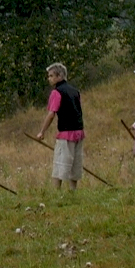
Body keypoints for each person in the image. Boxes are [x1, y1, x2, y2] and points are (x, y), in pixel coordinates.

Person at [31, 62, 85, 190]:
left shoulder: (56, 92)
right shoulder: (75, 91)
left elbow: (51, 115)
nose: (49, 79)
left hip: (65, 133)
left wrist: (42, 132)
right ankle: (73, 191)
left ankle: (57, 192)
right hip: (79, 131)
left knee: (60, 163)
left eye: (51, 76)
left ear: (59, 76)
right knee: (75, 163)